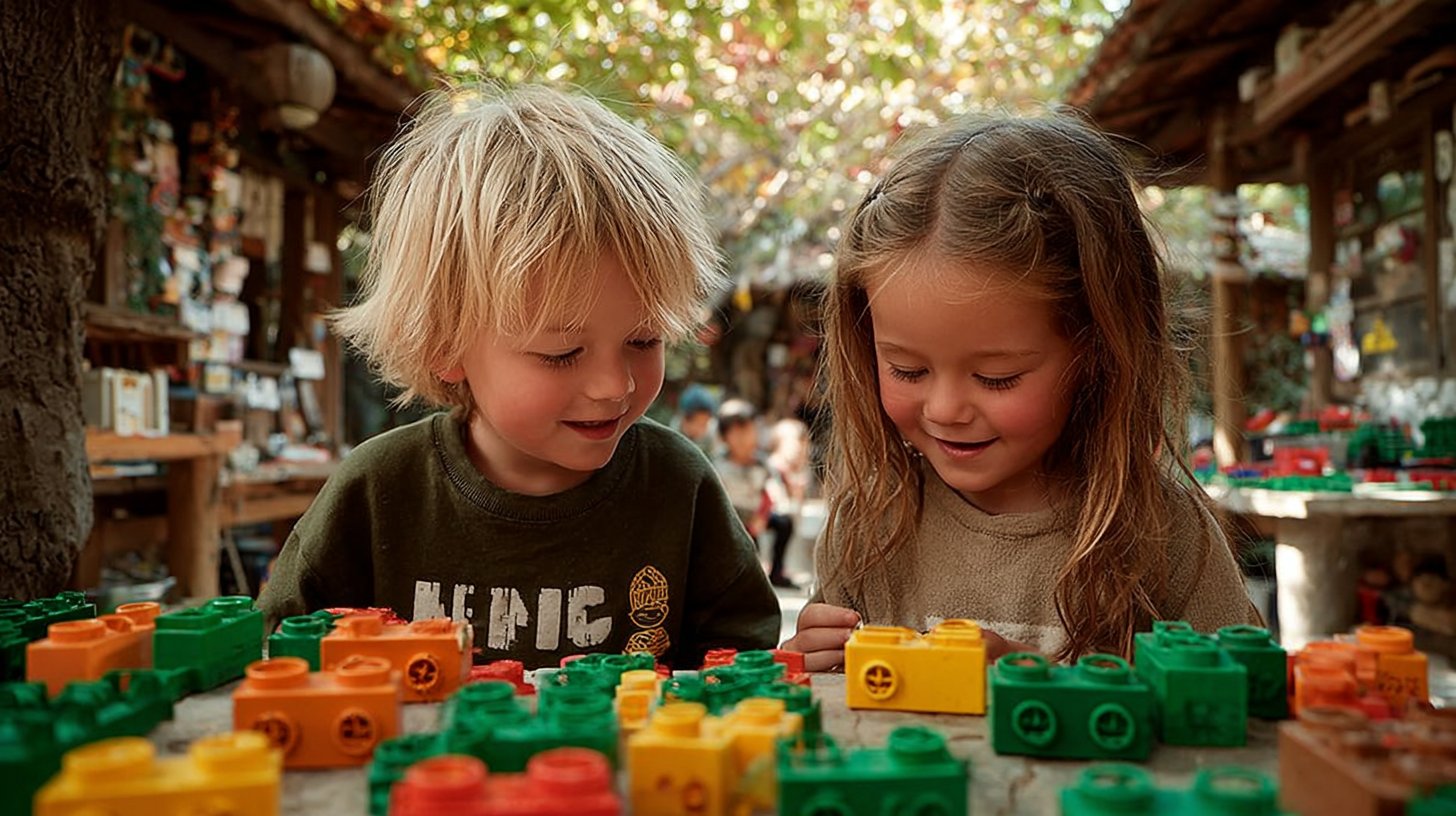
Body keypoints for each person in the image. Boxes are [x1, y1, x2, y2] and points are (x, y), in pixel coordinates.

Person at [258, 85, 780, 669]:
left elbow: (744, 666)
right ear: (445, 344)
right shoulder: (377, 495)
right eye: (561, 354)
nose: (614, 385)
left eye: (643, 340)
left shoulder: (679, 489)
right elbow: (280, 659)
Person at [783, 111, 1260, 672]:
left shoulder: (1162, 536)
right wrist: (812, 662)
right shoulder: (869, 530)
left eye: (996, 378)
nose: (945, 410)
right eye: (907, 370)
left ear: (1096, 350)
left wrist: (1039, 682)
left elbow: (1236, 704)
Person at [713, 400, 797, 588]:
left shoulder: (761, 464)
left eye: (748, 431)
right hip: (731, 516)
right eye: (737, 433)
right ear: (725, 437)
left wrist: (762, 515)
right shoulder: (719, 466)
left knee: (784, 523)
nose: (744, 439)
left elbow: (769, 491)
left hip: (756, 513)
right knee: (749, 549)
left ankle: (777, 571)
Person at [674, 383, 718, 458]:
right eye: (698, 424)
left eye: (704, 424)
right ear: (684, 420)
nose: (701, 429)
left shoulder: (713, 430)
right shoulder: (675, 430)